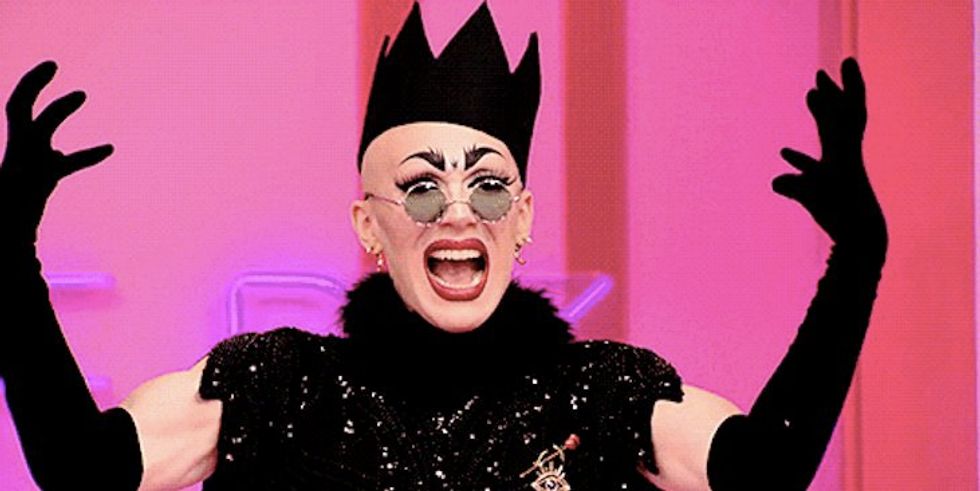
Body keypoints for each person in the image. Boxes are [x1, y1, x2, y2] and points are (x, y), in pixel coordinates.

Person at [0, 3, 886, 490]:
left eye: (488, 186)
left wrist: (857, 259)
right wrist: (6, 254)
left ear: (523, 218)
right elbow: (84, 478)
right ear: (369, 226)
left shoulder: (603, 393)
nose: (458, 212)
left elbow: (762, 478)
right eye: (422, 187)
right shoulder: (276, 385)